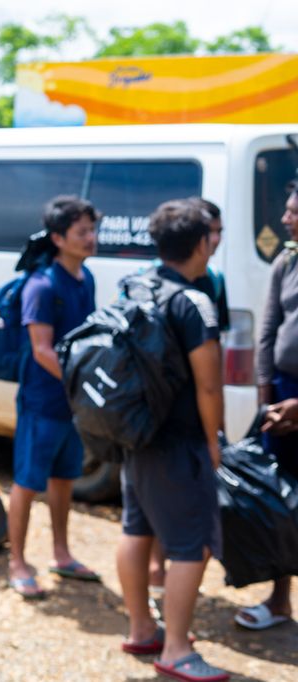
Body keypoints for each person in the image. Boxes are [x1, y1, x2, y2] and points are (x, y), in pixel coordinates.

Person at [116, 200, 227, 682]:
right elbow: (208, 384)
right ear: (201, 242)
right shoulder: (193, 301)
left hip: (136, 432)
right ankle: (177, 650)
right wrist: (214, 441)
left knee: (136, 530)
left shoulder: (138, 283)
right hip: (177, 440)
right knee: (191, 545)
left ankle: (143, 628)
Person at [7, 196, 100, 599]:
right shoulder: (42, 285)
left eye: (93, 230)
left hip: (70, 403)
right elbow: (42, 349)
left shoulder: (86, 277)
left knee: (64, 479)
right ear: (59, 238)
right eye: (83, 232)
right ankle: (17, 561)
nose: (91, 238)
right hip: (43, 400)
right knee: (28, 482)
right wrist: (81, 383)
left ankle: (62, 554)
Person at [235, 181, 298, 631]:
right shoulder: (287, 260)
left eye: (294, 212)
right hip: (282, 397)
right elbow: (268, 328)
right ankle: (280, 599)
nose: (285, 219)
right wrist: (266, 399)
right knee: (280, 496)